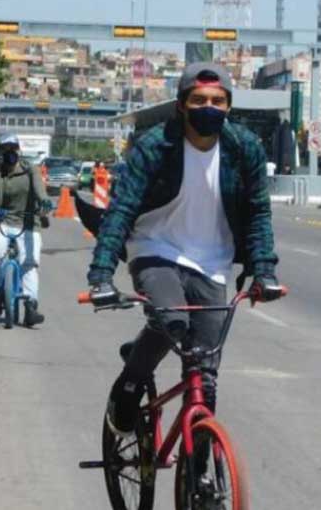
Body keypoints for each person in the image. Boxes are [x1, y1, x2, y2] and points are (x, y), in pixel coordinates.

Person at [85, 62, 284, 436]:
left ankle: (202, 478)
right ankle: (131, 381)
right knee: (173, 320)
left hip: (213, 262)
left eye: (217, 100)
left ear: (228, 106)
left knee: (205, 377)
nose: (208, 107)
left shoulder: (245, 149)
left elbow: (258, 212)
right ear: (181, 105)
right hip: (154, 249)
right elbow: (122, 209)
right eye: (198, 100)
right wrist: (101, 274)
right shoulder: (156, 146)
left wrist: (264, 271)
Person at [0, 134, 53, 326]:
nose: (9, 153)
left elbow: (39, 189)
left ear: (18, 150)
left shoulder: (30, 169)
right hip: (6, 222)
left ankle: (31, 306)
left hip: (29, 223)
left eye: (12, 149)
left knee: (29, 263)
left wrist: (44, 201)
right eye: (5, 150)